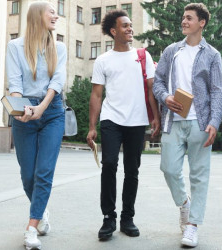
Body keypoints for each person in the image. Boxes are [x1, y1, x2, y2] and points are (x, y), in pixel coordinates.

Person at [152, 3, 222, 248]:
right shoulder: (171, 51)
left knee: (199, 175)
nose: (184, 21)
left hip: (200, 122)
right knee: (169, 168)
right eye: (183, 17)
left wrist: (214, 121)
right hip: (173, 121)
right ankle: (185, 204)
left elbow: (217, 91)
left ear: (201, 23)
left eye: (189, 18)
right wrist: (165, 98)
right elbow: (158, 82)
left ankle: (192, 226)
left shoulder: (212, 55)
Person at [86, 9, 158, 241]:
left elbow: (151, 90)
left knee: (132, 170)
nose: (130, 29)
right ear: (114, 31)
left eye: (130, 25)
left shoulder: (142, 56)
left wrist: (155, 117)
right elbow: (96, 95)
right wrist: (92, 126)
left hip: (137, 121)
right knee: (109, 164)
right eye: (125, 26)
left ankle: (127, 217)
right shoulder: (103, 60)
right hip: (111, 119)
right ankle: (109, 217)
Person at [5, 2, 66, 249]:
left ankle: (31, 226)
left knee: (43, 172)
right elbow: (15, 82)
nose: (56, 15)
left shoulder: (59, 48)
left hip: (52, 112)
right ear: (36, 15)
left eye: (56, 12)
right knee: (27, 175)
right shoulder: (14, 47)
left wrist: (41, 108)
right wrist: (22, 109)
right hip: (23, 112)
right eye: (51, 11)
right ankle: (41, 211)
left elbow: (57, 81)